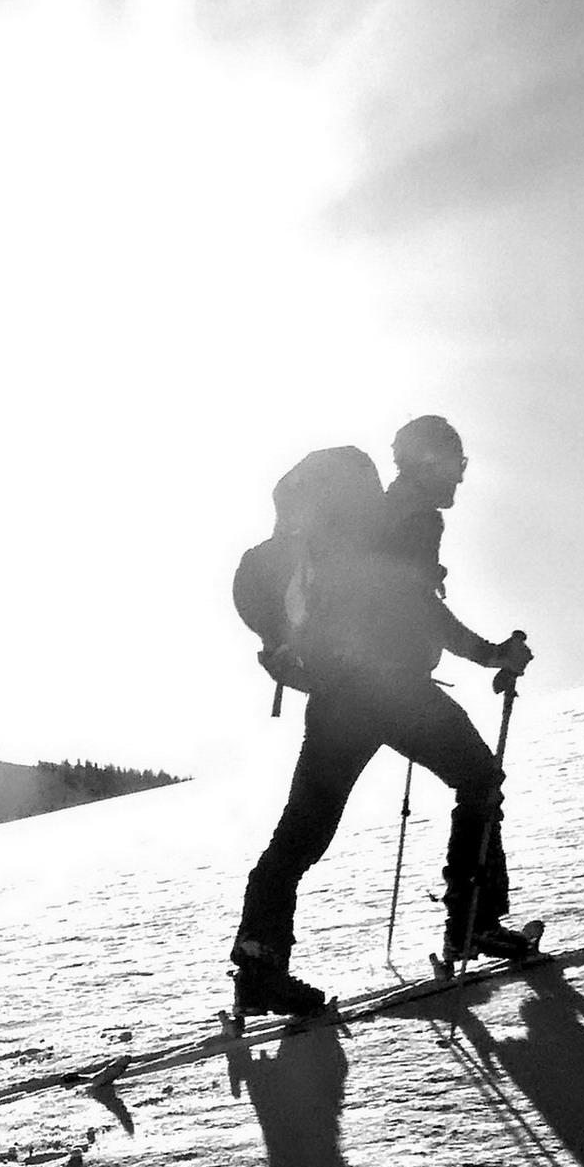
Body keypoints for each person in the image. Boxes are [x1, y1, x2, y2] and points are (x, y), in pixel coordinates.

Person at [228, 416, 535, 1017]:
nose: (458, 479)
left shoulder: (367, 522)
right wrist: (490, 654)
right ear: (427, 463)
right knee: (479, 779)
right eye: (454, 465)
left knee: (302, 832)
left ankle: (260, 966)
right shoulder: (411, 519)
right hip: (390, 690)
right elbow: (417, 607)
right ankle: (472, 922)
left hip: (339, 695)